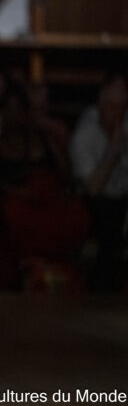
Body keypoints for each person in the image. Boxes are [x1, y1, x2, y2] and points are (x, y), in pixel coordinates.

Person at [69, 71, 128, 291]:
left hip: (123, 203)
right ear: (101, 104)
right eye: (111, 106)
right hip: (96, 206)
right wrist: (114, 149)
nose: (116, 114)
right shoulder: (84, 135)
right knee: (108, 215)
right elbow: (92, 189)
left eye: (122, 108)